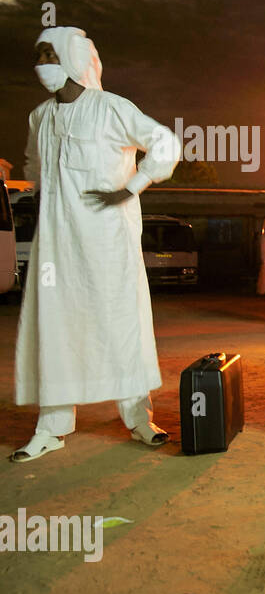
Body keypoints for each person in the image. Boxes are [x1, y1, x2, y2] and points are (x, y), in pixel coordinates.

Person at [12, 27, 181, 462]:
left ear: (72, 58)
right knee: (55, 327)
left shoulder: (111, 109)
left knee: (119, 326)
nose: (41, 64)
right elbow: (33, 163)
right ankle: (51, 426)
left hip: (108, 243)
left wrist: (134, 185)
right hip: (56, 246)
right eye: (39, 55)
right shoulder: (39, 117)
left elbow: (164, 142)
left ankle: (139, 420)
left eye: (50, 54)